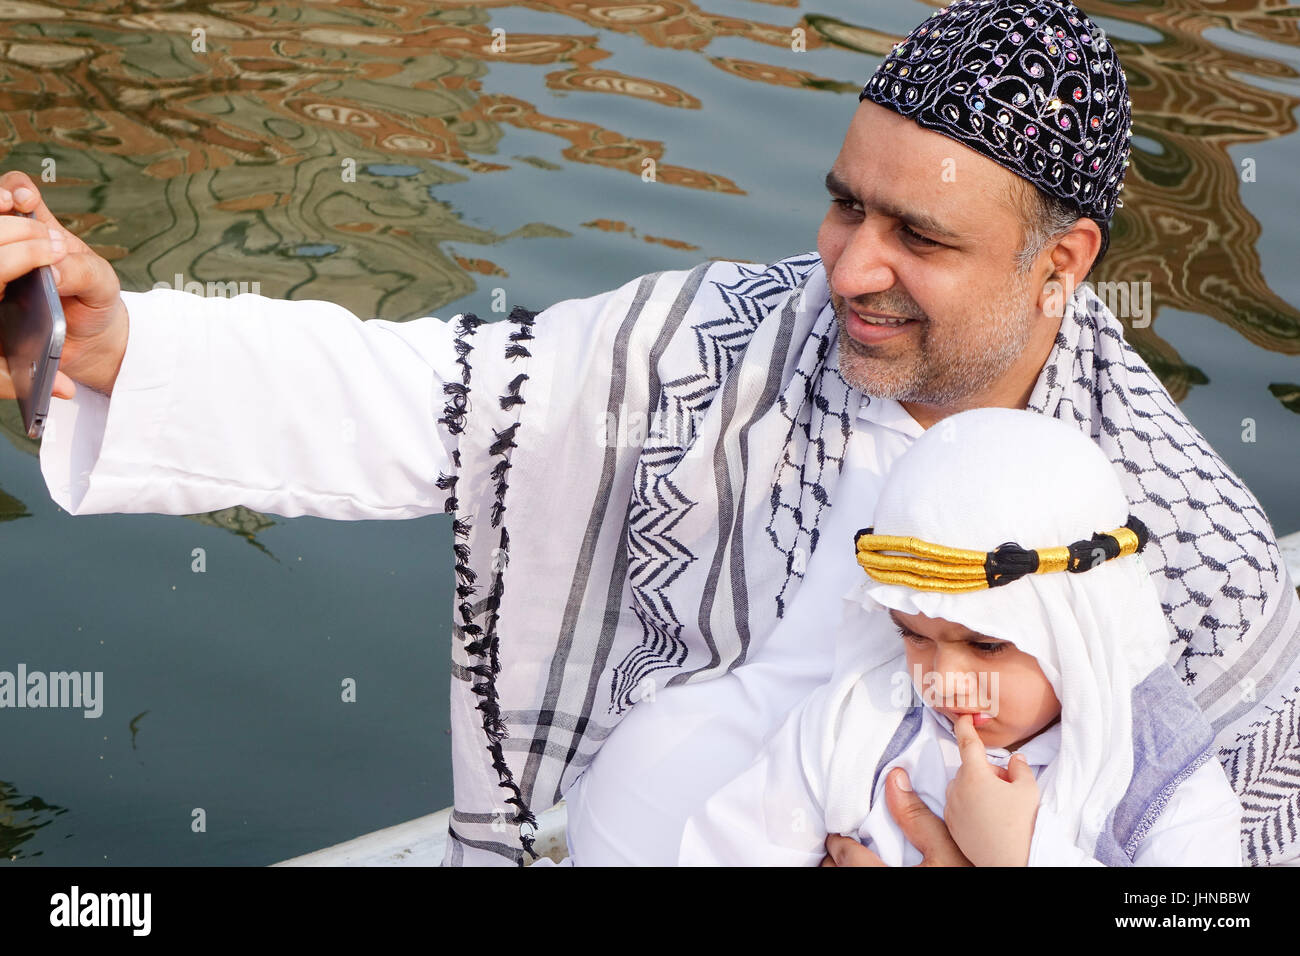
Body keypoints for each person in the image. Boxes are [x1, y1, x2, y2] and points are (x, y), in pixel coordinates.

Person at [0, 0, 1295, 867]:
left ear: (1063, 261)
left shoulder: (1183, 551)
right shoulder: (727, 339)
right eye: (847, 206)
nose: (848, 269)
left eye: (922, 237)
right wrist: (119, 346)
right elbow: (442, 400)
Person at [677, 408, 1243, 866]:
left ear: (1077, 625)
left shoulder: (1165, 780)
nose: (941, 682)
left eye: (987, 645)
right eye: (913, 636)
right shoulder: (852, 723)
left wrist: (1017, 857)